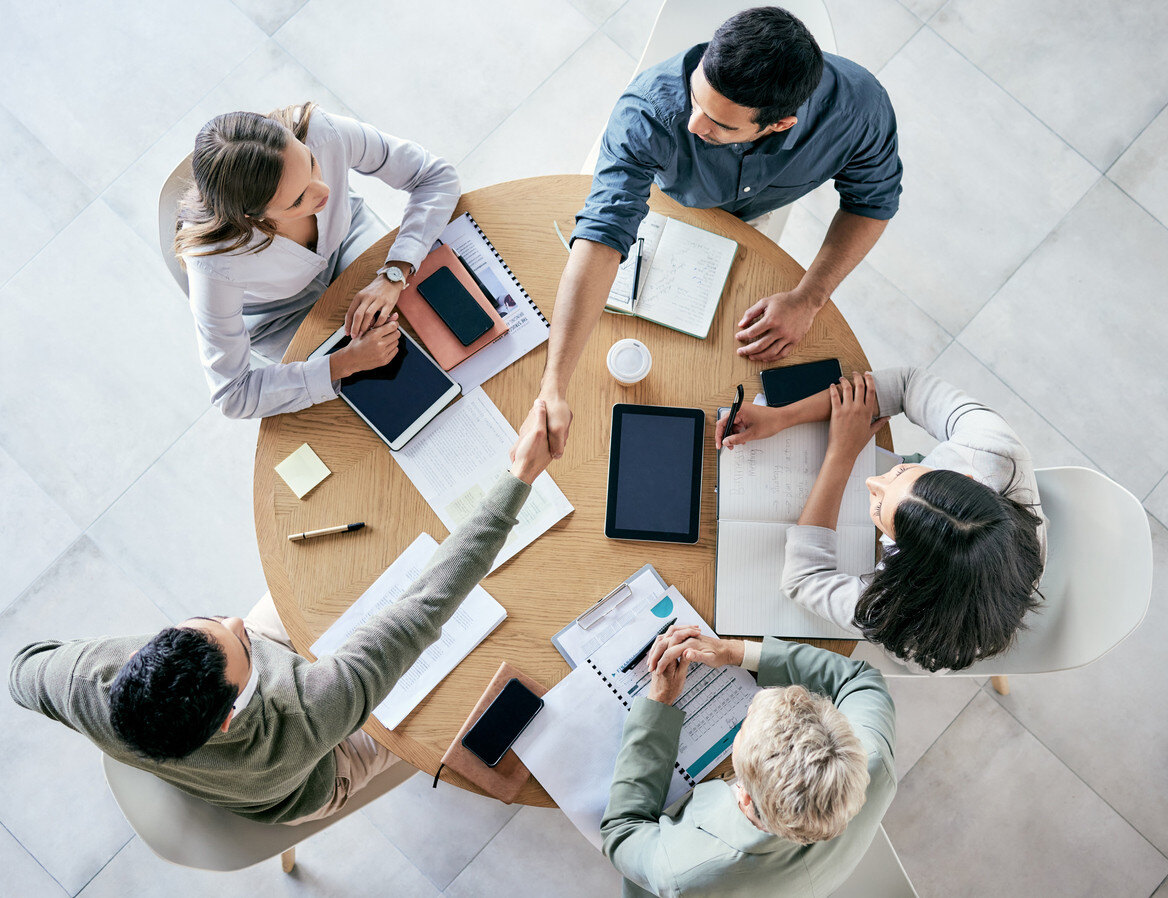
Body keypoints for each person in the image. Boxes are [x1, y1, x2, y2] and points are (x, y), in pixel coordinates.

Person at [8, 402, 553, 824]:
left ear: (137, 657)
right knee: (441, 698)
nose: (238, 622)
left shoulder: (85, 683)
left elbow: (21, 673)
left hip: (237, 734)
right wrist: (520, 478)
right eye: (240, 643)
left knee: (342, 572)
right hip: (316, 777)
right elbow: (425, 608)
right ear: (227, 718)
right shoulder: (310, 713)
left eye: (214, 620)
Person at [538, 7, 902, 456]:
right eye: (696, 99)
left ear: (780, 124)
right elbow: (602, 234)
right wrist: (553, 387)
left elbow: (872, 204)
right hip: (660, 191)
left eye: (721, 124)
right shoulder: (650, 112)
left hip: (753, 217)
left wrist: (809, 297)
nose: (694, 125)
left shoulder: (859, 111)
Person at [717, 369, 1047, 672]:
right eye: (903, 473)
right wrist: (783, 416)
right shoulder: (993, 449)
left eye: (879, 508)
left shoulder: (904, 620)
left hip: (939, 640)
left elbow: (802, 580)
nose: (872, 483)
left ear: (906, 563)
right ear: (970, 481)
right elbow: (908, 384)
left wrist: (842, 454)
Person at [175, 101, 460, 419]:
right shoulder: (214, 262)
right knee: (387, 401)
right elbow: (232, 394)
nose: (323, 189)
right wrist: (343, 363)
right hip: (280, 317)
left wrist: (396, 271)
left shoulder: (321, 132)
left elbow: (435, 177)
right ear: (251, 217)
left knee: (440, 320)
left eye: (310, 163)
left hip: (346, 241)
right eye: (297, 199)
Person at [602, 625, 895, 898]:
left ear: (742, 796)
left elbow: (621, 831)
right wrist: (735, 652)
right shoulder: (874, 761)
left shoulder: (683, 872)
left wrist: (658, 706)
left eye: (744, 725)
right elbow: (861, 679)